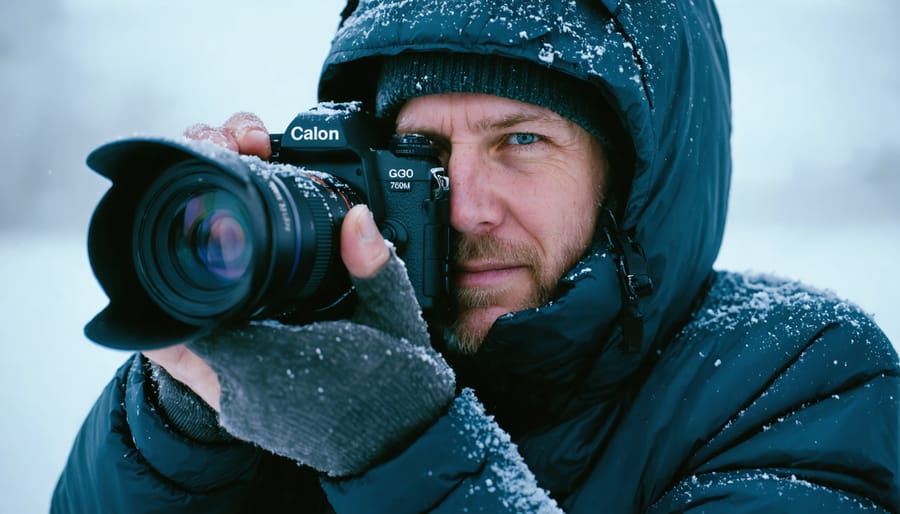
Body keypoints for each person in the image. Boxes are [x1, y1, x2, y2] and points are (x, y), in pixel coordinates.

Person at [52, 0, 900, 512]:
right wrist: (188, 416)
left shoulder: (799, 374)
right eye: (421, 150)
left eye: (521, 140)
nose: (462, 206)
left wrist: (400, 444)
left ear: (632, 182)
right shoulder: (314, 349)